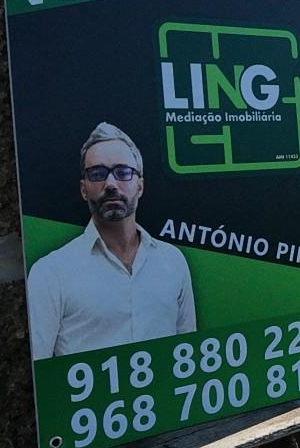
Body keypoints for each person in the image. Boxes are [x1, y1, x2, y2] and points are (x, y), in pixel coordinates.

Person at [27, 122, 196, 360]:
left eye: (123, 172)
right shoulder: (50, 273)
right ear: (84, 189)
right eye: (97, 173)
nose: (111, 184)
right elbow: (40, 372)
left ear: (140, 185)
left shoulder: (173, 261)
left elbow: (186, 352)